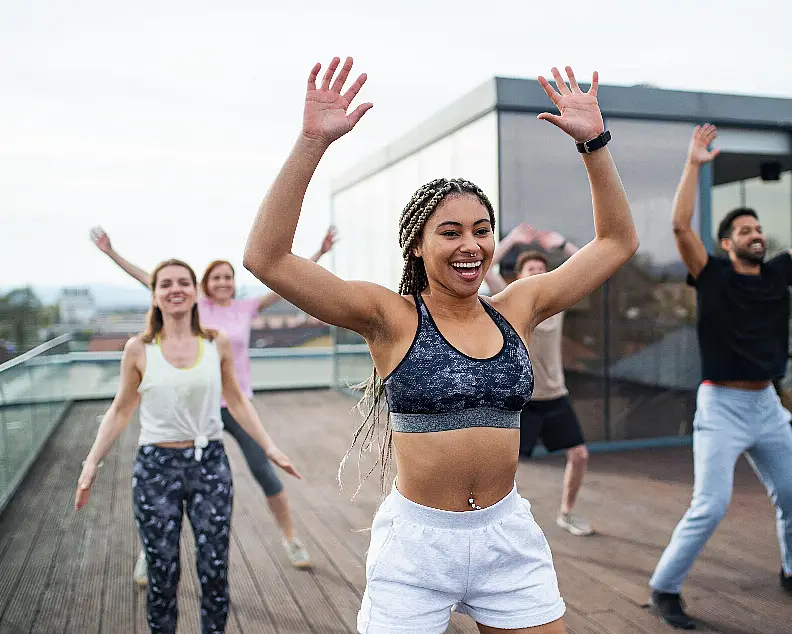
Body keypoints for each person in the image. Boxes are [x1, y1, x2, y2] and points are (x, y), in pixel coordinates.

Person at [243, 56, 638, 634]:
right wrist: (311, 142)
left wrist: (595, 145)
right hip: (417, 547)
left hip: (507, 538)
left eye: (482, 230)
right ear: (418, 246)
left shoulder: (518, 309)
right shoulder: (390, 319)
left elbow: (617, 241)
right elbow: (267, 258)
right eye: (450, 232)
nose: (470, 245)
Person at [648, 124, 792, 629]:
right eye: (745, 230)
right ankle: (664, 589)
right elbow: (679, 225)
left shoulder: (778, 273)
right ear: (727, 242)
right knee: (710, 506)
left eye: (759, 229)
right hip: (721, 407)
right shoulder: (710, 274)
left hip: (768, 407)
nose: (756, 234)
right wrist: (694, 163)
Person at [89, 225, 335, 580]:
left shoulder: (247, 308)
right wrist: (111, 252)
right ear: (205, 283)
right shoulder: (196, 307)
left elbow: (283, 286)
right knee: (164, 488)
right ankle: (150, 551)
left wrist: (320, 253)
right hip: (197, 408)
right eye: (216, 277)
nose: (222, 283)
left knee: (265, 472)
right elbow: (150, 279)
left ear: (234, 283)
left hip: (235, 405)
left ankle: (291, 539)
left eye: (228, 277)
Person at [74, 258, 299, 634]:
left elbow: (238, 400)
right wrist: (91, 463)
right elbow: (120, 409)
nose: (175, 289)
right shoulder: (139, 348)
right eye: (166, 284)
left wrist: (269, 446)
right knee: (162, 574)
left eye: (183, 282)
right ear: (155, 294)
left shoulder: (216, 343)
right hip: (155, 467)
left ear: (196, 292)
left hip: (208, 464)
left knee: (214, 570)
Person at [485, 223, 594, 537]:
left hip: (555, 396)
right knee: (504, 467)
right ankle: (494, 520)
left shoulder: (556, 304)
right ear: (518, 277)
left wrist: (560, 241)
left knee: (580, 455)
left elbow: (588, 264)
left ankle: (567, 513)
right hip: (521, 402)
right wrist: (511, 241)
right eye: (530, 269)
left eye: (541, 270)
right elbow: (488, 267)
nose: (536, 274)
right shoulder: (507, 301)